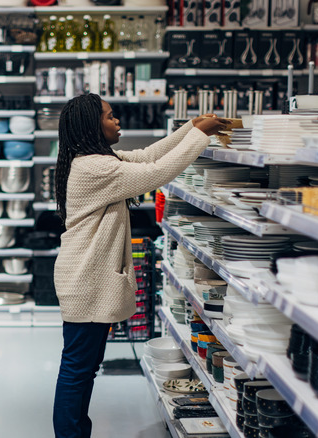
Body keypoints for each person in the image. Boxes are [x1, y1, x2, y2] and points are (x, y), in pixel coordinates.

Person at [52, 93, 229, 438]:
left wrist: (189, 127)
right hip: (85, 280)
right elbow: (158, 172)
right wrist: (201, 135)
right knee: (77, 370)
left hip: (84, 278)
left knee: (82, 368)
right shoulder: (96, 167)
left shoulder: (95, 160)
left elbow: (147, 156)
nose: (117, 121)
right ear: (92, 126)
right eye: (109, 117)